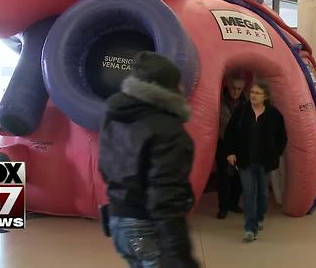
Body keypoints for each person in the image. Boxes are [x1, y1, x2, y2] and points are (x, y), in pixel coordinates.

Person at [99, 51, 199, 267]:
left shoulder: (114, 116)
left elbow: (106, 168)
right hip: (145, 225)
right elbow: (166, 195)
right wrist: (179, 253)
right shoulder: (169, 130)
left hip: (118, 220)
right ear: (168, 87)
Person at [225, 79, 287, 243]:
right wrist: (231, 152)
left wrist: (276, 153)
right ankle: (250, 228)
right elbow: (230, 131)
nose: (253, 95)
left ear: (265, 96)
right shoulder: (242, 111)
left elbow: (282, 137)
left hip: (265, 162)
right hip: (245, 161)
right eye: (252, 92)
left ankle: (260, 216)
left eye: (257, 93)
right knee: (249, 193)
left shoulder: (274, 114)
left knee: (263, 193)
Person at [216, 75, 246, 219]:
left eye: (239, 89)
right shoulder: (219, 99)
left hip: (240, 144)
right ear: (228, 87)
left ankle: (234, 203)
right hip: (223, 142)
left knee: (239, 176)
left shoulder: (246, 103)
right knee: (223, 176)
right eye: (234, 88)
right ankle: (223, 207)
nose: (236, 92)